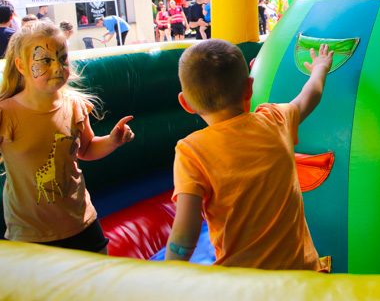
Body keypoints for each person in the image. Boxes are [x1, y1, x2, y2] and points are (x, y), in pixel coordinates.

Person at [165, 39, 333, 269]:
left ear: (185, 103)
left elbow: (186, 230)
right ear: (249, 87)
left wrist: (166, 273)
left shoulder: (191, 151)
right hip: (302, 274)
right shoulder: (276, 119)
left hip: (245, 284)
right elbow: (311, 94)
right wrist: (320, 68)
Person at [0, 21, 134, 253]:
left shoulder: (74, 105)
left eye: (62, 59)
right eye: (45, 61)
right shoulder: (6, 114)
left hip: (81, 221)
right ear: (21, 66)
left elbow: (86, 148)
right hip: (30, 232)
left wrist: (113, 141)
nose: (57, 68)